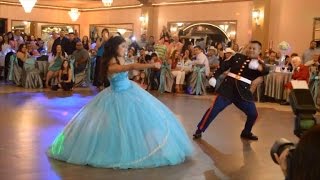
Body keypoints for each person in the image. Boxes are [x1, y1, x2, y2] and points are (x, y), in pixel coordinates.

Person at [47, 36, 193, 169]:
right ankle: (117, 151)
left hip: (130, 91)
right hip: (117, 96)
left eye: (125, 46)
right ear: (114, 47)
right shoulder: (110, 64)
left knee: (136, 123)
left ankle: (138, 146)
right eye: (122, 46)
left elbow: (129, 67)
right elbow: (131, 67)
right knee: (118, 126)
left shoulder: (120, 59)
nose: (125, 49)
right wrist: (150, 65)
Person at [193, 40, 269, 141]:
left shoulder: (260, 64)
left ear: (259, 51)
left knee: (253, 114)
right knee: (214, 110)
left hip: (243, 92)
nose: (251, 50)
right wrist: (214, 77)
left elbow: (266, 71)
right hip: (227, 89)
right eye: (249, 47)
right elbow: (222, 66)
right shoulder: (237, 56)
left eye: (254, 48)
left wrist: (258, 67)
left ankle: (246, 132)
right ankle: (199, 130)